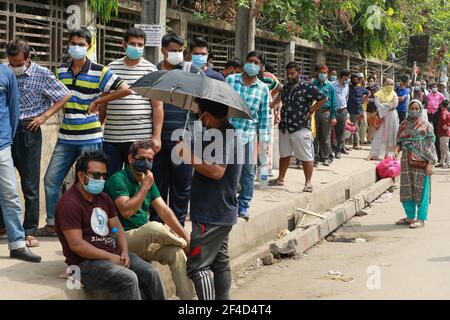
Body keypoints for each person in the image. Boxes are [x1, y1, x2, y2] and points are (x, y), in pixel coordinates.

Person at [38, 28, 132, 237]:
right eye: (74, 43)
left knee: (91, 182)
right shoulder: (61, 70)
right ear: (68, 44)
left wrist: (99, 100)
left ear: (89, 47)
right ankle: (53, 223)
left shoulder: (100, 70)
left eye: (81, 44)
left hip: (90, 137)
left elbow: (126, 89)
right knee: (51, 179)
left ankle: (90, 226)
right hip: (66, 136)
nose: (77, 47)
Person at [55, 151, 165, 300]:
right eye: (96, 175)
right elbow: (77, 245)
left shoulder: (103, 198)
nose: (101, 180)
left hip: (112, 253)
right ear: (81, 176)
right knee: (129, 278)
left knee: (151, 272)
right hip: (84, 264)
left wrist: (124, 251)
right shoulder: (69, 204)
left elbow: (116, 228)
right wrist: (110, 257)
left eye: (104, 176)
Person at [0, 38, 71, 247]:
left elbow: (65, 95)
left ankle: (30, 230)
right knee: (3, 183)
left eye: (18, 64)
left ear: (28, 58)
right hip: (5, 130)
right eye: (11, 63)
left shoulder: (42, 74)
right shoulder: (4, 72)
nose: (14, 68)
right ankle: (3, 225)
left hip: (28, 129)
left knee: (30, 184)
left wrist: (44, 116)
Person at [105, 140, 195, 300]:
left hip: (143, 238)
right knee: (154, 226)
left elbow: (164, 210)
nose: (146, 163)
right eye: (142, 158)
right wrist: (145, 187)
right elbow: (126, 211)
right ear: (131, 159)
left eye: (150, 159)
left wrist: (184, 234)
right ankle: (185, 243)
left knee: (177, 254)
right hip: (121, 240)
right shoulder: (118, 179)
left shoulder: (147, 179)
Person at [175, 98, 242, 300]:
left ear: (208, 114)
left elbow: (216, 171)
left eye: (200, 111)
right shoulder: (223, 134)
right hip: (219, 210)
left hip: (212, 212)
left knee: (197, 266)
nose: (198, 116)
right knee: (220, 262)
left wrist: (188, 157)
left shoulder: (223, 136)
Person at [151, 33, 202, 226]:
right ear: (163, 50)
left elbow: (203, 98)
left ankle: (177, 226)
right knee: (158, 185)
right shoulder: (154, 71)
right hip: (156, 138)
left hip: (183, 137)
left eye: (180, 51)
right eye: (173, 51)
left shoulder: (191, 71)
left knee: (181, 185)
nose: (177, 54)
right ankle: (157, 224)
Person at [102, 28, 163, 176]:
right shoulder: (111, 68)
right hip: (112, 137)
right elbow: (103, 102)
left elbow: (157, 106)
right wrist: (98, 126)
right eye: (132, 44)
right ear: (123, 44)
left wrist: (156, 137)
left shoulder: (151, 69)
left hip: (140, 139)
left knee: (139, 178)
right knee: (111, 179)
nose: (136, 47)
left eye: (140, 44)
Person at [0, 64, 42, 262]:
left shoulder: (6, 73)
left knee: (10, 194)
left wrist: (6, 137)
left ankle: (17, 244)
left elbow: (13, 108)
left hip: (1, 145)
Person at [269, 62, 327, 192]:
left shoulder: (307, 87)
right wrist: (270, 106)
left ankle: (308, 183)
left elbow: (323, 99)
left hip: (300, 127)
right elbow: (280, 98)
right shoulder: (286, 87)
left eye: (292, 73)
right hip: (284, 126)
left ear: (298, 73)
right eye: (288, 73)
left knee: (306, 156)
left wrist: (311, 110)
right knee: (284, 154)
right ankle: (280, 179)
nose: (289, 76)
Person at [227, 51, 271, 220]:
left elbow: (264, 116)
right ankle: (229, 203)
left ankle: (244, 204)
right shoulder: (231, 80)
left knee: (247, 172)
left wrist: (264, 142)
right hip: (229, 133)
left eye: (255, 62)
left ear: (260, 67)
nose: (252, 64)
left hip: (249, 134)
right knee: (229, 171)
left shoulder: (263, 88)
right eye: (249, 61)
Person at [394, 100, 437, 229]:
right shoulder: (404, 124)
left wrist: (430, 163)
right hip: (406, 163)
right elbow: (399, 141)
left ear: (420, 110)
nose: (414, 110)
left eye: (416, 108)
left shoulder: (426, 125)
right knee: (407, 188)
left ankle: (421, 219)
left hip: (421, 163)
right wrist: (396, 150)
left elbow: (431, 145)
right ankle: (409, 217)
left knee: (421, 189)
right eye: (412, 108)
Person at [311, 64, 338, 166]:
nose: (322, 74)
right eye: (321, 72)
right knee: (314, 137)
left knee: (326, 138)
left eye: (324, 73)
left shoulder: (330, 86)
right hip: (314, 112)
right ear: (317, 73)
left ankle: (326, 157)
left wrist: (334, 116)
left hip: (326, 113)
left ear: (327, 74)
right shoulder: (313, 84)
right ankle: (314, 157)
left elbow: (334, 102)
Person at [368, 79, 399, 160]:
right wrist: (388, 105)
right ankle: (374, 154)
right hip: (381, 116)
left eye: (392, 84)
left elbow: (395, 104)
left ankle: (388, 154)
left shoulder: (394, 94)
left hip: (392, 117)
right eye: (389, 84)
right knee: (378, 134)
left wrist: (384, 104)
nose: (390, 86)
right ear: (385, 84)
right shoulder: (379, 93)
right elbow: (377, 104)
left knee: (391, 134)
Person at [332, 69, 350, 158]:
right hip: (333, 111)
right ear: (344, 76)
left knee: (341, 132)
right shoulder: (332, 85)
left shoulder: (347, 86)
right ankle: (329, 150)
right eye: (347, 76)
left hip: (343, 110)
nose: (348, 78)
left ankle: (338, 151)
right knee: (330, 131)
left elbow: (346, 98)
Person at [366, 75, 380, 142]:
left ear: (374, 81)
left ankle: (369, 139)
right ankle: (367, 138)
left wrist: (369, 100)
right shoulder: (366, 89)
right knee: (365, 124)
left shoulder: (377, 89)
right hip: (366, 109)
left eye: (371, 81)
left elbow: (378, 99)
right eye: (368, 81)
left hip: (374, 109)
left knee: (372, 125)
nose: (370, 82)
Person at [436, 100, 450, 168]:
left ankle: (448, 163)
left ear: (442, 105)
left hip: (444, 133)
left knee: (445, 148)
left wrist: (445, 125)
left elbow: (443, 119)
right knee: (442, 148)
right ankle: (442, 162)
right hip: (443, 134)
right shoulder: (446, 112)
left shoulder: (443, 113)